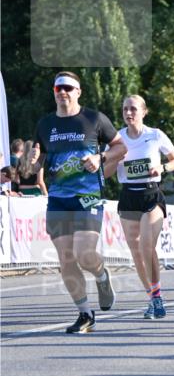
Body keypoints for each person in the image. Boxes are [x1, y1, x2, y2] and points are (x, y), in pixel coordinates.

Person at [32, 71, 127, 333]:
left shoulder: (94, 119)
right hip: (59, 198)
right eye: (58, 88)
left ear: (78, 92)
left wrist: (101, 158)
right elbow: (38, 160)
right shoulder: (45, 124)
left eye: (68, 88)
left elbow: (121, 148)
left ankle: (101, 275)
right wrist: (32, 162)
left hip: (88, 196)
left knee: (84, 254)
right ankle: (85, 314)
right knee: (66, 258)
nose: (62, 92)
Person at [108, 94, 174, 319]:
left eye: (133, 109)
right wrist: (114, 160)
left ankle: (157, 296)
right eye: (125, 110)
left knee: (147, 246)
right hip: (129, 196)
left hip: (151, 194)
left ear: (143, 111)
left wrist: (162, 168)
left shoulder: (155, 135)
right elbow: (106, 173)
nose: (128, 113)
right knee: (136, 253)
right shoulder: (116, 139)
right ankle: (152, 298)